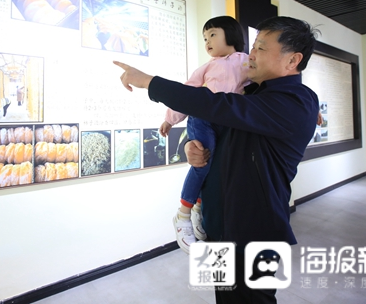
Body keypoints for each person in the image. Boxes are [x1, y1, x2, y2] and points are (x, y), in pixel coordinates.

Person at [115, 16, 320, 303]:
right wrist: (192, 146)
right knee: (223, 296)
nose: (251, 54)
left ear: (292, 60)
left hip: (256, 229)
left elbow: (216, 105)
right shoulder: (250, 94)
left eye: (261, 48)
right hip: (216, 221)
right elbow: (217, 125)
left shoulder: (297, 101)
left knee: (254, 299)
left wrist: (150, 83)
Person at [159, 16, 250, 253]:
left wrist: (308, 108)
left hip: (228, 123)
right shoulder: (208, 66)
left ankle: (199, 208)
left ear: (231, 34)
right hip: (203, 119)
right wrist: (170, 119)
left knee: (217, 165)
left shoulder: (248, 62)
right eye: (205, 38)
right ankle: (183, 215)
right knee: (202, 163)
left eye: (212, 34)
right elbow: (186, 92)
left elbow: (268, 86)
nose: (207, 41)